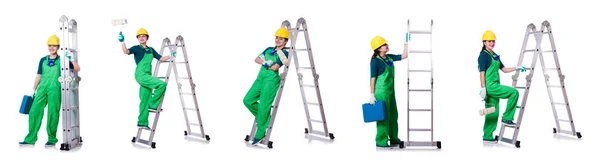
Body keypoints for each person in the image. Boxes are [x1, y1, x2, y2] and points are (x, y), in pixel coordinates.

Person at [19, 35, 81, 146]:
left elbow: (77, 68)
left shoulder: (62, 60)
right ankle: (30, 139)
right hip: (41, 89)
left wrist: (70, 59)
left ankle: (51, 140)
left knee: (53, 114)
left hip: (55, 90)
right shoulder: (43, 60)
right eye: (49, 45)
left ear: (58, 47)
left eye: (54, 46)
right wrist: (33, 89)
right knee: (34, 112)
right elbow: (39, 75)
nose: (51, 48)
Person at [243, 27, 290, 145]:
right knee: (247, 100)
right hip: (260, 78)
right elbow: (256, 59)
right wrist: (264, 62)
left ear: (286, 41)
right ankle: (264, 119)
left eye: (281, 39)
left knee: (264, 105)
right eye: (277, 38)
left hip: (271, 80)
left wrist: (266, 63)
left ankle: (260, 134)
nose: (278, 40)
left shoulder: (285, 53)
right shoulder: (269, 49)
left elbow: (275, 67)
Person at [478, 30, 525, 142]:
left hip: (494, 86)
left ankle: (487, 136)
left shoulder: (494, 55)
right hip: (491, 86)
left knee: (492, 111)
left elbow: (503, 69)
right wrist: (483, 88)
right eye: (489, 41)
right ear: (484, 42)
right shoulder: (483, 56)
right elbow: (482, 73)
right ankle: (507, 118)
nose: (492, 43)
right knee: (514, 92)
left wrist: (516, 67)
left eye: (493, 41)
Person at [119, 28, 171, 129]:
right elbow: (126, 51)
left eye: (143, 36)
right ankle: (152, 104)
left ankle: (142, 122)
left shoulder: (151, 50)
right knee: (162, 84)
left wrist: (170, 56)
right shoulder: (136, 48)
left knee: (144, 99)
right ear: (138, 38)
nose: (141, 38)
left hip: (147, 75)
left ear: (147, 37)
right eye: (139, 36)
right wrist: (122, 42)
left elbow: (160, 58)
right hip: (141, 75)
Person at [369, 35, 409, 148]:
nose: (387, 45)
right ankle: (381, 141)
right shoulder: (375, 62)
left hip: (390, 91)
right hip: (381, 92)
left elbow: (404, 55)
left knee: (393, 115)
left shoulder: (389, 58)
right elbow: (373, 79)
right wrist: (372, 94)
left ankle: (394, 138)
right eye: (384, 44)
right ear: (379, 48)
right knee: (383, 117)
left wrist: (406, 42)